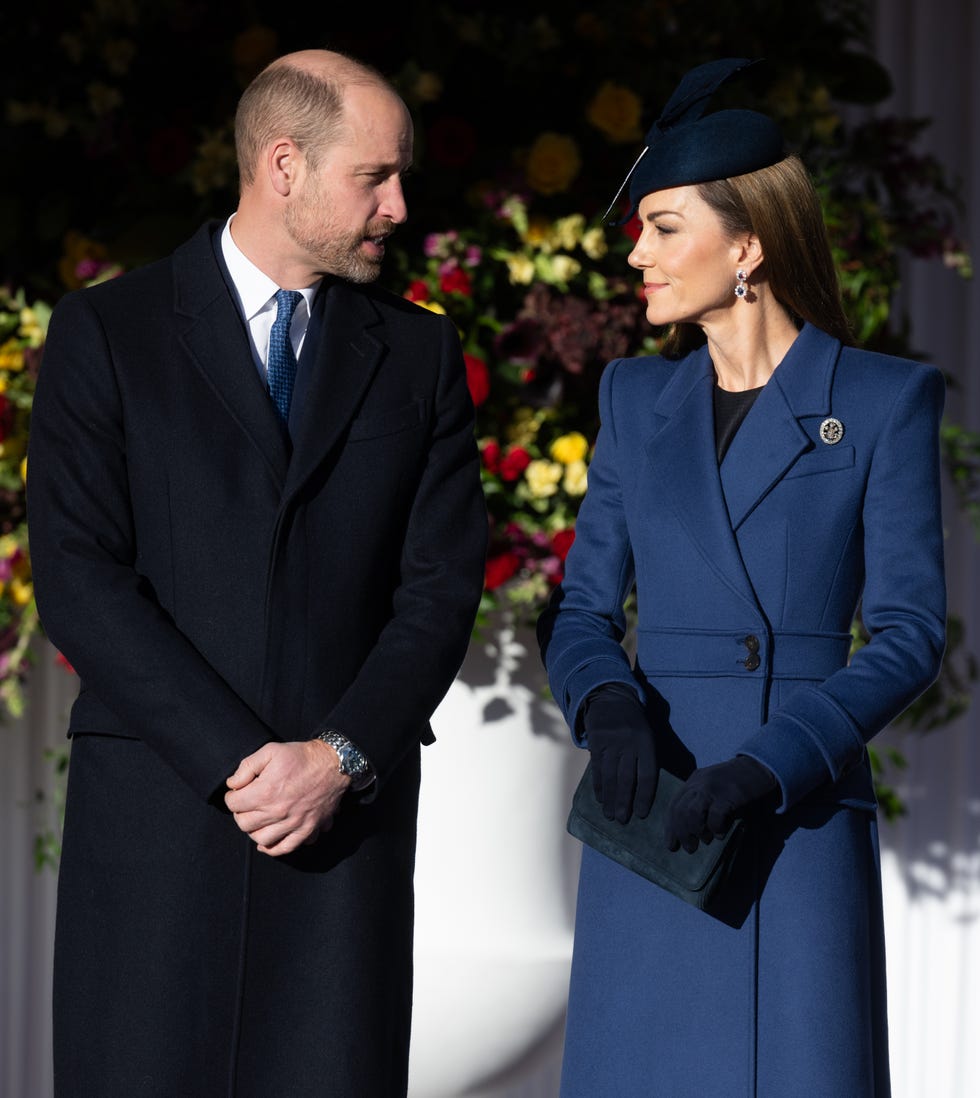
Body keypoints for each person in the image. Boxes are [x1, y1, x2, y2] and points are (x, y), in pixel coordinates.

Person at [27, 48, 488, 1098]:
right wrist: (245, 763)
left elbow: (438, 590)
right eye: (374, 176)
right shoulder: (108, 333)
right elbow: (80, 577)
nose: (398, 205)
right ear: (284, 165)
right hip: (158, 830)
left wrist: (336, 758)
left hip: (342, 844)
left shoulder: (417, 355)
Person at [537, 57, 946, 1097]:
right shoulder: (633, 400)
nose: (636, 253)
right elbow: (582, 610)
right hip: (655, 817)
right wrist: (606, 707)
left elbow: (908, 635)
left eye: (662, 227)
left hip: (790, 818)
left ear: (747, 245)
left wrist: (769, 764)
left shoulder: (882, 402)